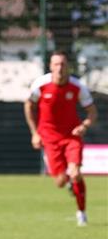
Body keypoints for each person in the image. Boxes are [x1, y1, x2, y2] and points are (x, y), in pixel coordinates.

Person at [24, 50, 98, 226]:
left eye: (63, 64)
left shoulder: (77, 86)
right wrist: (35, 133)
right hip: (49, 138)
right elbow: (28, 106)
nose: (60, 68)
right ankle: (69, 184)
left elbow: (92, 112)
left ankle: (82, 213)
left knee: (76, 172)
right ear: (50, 66)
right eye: (56, 64)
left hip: (72, 136)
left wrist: (84, 126)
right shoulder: (40, 85)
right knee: (60, 181)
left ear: (68, 66)